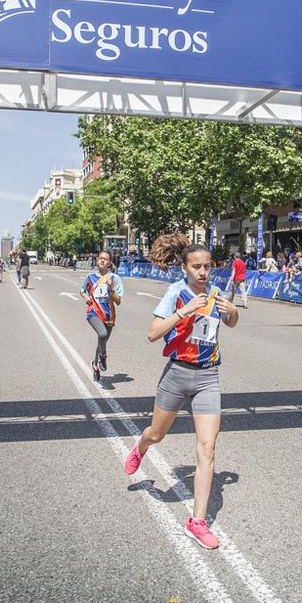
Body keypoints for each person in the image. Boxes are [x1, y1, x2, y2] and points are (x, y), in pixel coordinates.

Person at [123, 233, 239, 550]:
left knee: (207, 448)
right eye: (197, 267)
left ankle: (197, 522)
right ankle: (141, 447)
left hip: (208, 377)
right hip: (177, 374)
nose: (203, 272)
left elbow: (230, 324)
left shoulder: (215, 292)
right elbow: (152, 334)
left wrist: (231, 312)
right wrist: (184, 310)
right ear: (185, 268)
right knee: (157, 434)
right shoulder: (175, 293)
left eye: (207, 267)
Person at [80, 250, 125, 382]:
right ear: (97, 259)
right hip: (93, 312)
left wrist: (111, 290)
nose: (102, 260)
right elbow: (82, 290)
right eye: (100, 258)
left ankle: (95, 364)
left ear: (110, 262)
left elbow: (118, 301)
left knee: (102, 341)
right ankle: (103, 356)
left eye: (106, 259)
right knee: (102, 334)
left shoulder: (115, 279)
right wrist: (86, 298)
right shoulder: (90, 277)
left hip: (108, 315)